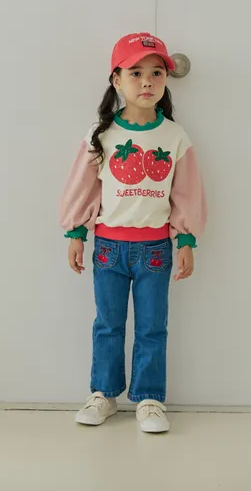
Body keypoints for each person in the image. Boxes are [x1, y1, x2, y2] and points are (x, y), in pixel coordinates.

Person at [59, 32, 207, 433]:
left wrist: (186, 240)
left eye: (156, 73)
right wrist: (76, 233)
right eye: (136, 73)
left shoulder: (174, 136)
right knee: (107, 325)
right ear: (117, 80)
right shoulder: (102, 134)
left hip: (155, 250)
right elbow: (83, 187)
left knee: (152, 327)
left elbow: (186, 192)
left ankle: (149, 399)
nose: (147, 82)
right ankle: (103, 394)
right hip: (108, 249)